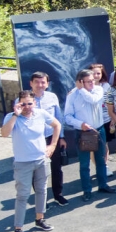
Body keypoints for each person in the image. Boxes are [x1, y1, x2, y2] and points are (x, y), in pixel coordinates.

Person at [2, 91, 62, 232]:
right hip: (22, 163)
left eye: (30, 103)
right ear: (18, 104)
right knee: (22, 196)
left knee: (41, 190)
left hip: (41, 160)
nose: (27, 107)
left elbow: (57, 125)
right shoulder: (11, 117)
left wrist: (53, 145)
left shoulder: (41, 114)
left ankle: (39, 219)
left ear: (34, 103)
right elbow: (4, 133)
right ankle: (18, 229)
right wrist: (15, 115)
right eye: (23, 104)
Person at [64, 69, 116, 200]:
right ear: (80, 82)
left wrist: (82, 89)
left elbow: (93, 100)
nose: (93, 83)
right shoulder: (72, 95)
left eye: (93, 80)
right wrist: (80, 124)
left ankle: (103, 185)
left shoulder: (98, 90)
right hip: (83, 132)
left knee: (101, 160)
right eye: (89, 81)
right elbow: (67, 117)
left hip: (99, 130)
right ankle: (87, 190)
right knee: (84, 164)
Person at [24, 72, 68, 204]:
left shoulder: (52, 97)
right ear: (31, 83)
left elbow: (58, 118)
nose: (40, 85)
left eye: (43, 82)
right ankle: (41, 200)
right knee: (37, 171)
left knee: (56, 168)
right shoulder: (23, 99)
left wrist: (61, 137)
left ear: (47, 84)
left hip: (51, 138)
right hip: (33, 140)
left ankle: (58, 195)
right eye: (36, 82)